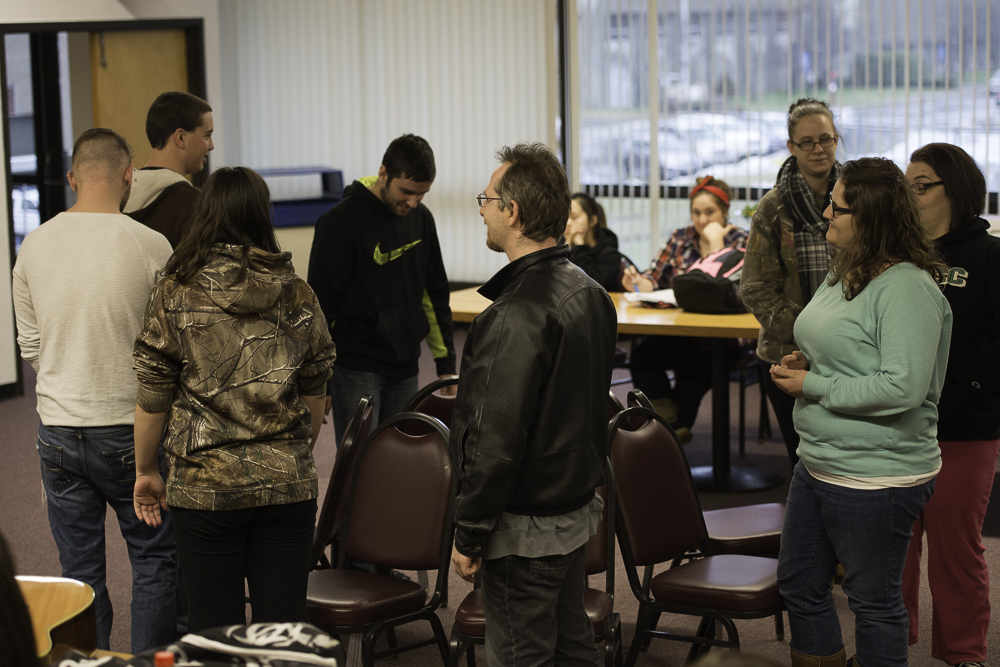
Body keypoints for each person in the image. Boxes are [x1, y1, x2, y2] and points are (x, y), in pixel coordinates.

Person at [132, 167, 336, 632]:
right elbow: (316, 391)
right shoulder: (297, 292)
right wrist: (291, 453)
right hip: (286, 485)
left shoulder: (176, 291)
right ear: (261, 215)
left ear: (206, 214)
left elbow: (153, 396)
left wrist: (146, 471)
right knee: (284, 628)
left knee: (213, 628)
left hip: (206, 489)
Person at [770, 157, 952, 667]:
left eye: (838, 205)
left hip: (877, 474)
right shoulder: (844, 269)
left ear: (869, 219)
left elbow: (903, 386)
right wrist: (814, 361)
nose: (826, 211)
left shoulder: (908, 288)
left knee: (872, 604)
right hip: (821, 460)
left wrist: (816, 383)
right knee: (800, 586)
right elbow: (852, 349)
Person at [450, 143, 617, 666]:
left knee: (525, 656)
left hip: (523, 528)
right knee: (572, 648)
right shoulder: (590, 291)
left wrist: (469, 534)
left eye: (487, 199)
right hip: (569, 511)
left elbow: (494, 440)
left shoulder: (513, 315)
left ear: (512, 212)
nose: (481, 208)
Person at [11, 128, 177, 652]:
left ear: (72, 178)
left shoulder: (34, 245)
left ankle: (87, 664)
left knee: (79, 575)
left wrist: (68, 370)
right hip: (134, 431)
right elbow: (169, 344)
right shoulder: (152, 245)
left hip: (58, 431)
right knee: (153, 561)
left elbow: (30, 344)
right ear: (129, 176)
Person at [901, 143, 1000, 667]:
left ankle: (964, 655)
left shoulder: (990, 256)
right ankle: (890, 645)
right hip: (896, 424)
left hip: (964, 428)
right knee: (893, 547)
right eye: (908, 185)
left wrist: (959, 394)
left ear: (955, 189)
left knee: (955, 550)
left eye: (923, 184)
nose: (911, 194)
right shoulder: (898, 254)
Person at [307, 134, 456, 444]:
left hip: (405, 365)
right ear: (383, 174)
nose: (413, 202)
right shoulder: (339, 223)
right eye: (406, 192)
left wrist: (445, 365)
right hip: (355, 366)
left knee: (399, 458)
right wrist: (320, 380)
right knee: (359, 464)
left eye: (422, 194)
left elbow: (434, 293)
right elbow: (319, 308)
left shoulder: (421, 220)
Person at [741, 98, 843, 468]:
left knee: (845, 462)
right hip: (789, 354)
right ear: (791, 147)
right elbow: (754, 288)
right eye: (807, 142)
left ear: (837, 139)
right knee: (804, 464)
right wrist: (811, 332)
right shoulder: (773, 207)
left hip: (850, 354)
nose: (818, 149)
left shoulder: (860, 199)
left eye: (826, 139)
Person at [621, 176, 747, 440]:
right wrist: (640, 282)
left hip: (720, 339)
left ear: (725, 211)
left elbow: (728, 289)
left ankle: (665, 434)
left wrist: (716, 247)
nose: (702, 220)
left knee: (696, 372)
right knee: (643, 357)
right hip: (680, 332)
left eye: (710, 212)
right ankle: (671, 428)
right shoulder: (681, 238)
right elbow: (656, 278)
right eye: (696, 213)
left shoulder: (741, 240)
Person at [123, 91, 214, 248]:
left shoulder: (119, 195)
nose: (211, 146)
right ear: (180, 137)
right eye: (207, 136)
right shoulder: (195, 203)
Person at [564, 192, 622, 291]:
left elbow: (593, 288)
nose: (568, 223)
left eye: (574, 217)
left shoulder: (609, 253)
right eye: (565, 217)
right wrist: (565, 249)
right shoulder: (560, 244)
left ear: (593, 220)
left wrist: (580, 246)